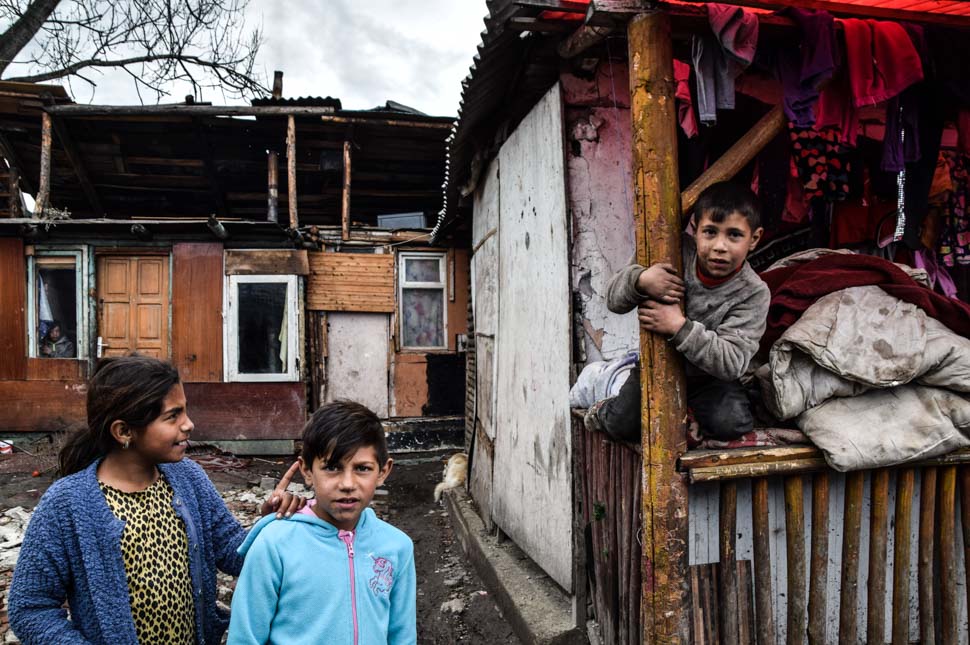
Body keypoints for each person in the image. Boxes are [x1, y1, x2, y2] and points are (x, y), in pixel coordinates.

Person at [8, 355, 305, 645]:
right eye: (173, 416)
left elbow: (234, 554)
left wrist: (270, 523)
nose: (188, 424)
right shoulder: (66, 504)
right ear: (124, 431)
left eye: (185, 411)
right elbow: (30, 609)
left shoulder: (189, 478)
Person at [227, 400, 417, 645]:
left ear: (383, 472)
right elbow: (245, 637)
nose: (347, 484)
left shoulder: (397, 546)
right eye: (332, 467)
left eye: (362, 468)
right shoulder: (275, 544)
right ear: (307, 471)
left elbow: (402, 636)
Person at [592, 181, 770, 441]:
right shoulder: (670, 250)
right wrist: (641, 280)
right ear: (695, 230)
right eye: (710, 232)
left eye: (734, 235)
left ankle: (690, 415)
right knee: (622, 424)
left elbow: (732, 363)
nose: (720, 246)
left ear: (754, 239)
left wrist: (678, 326)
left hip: (709, 378)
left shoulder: (753, 292)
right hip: (656, 363)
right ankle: (603, 407)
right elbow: (613, 300)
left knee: (732, 423)